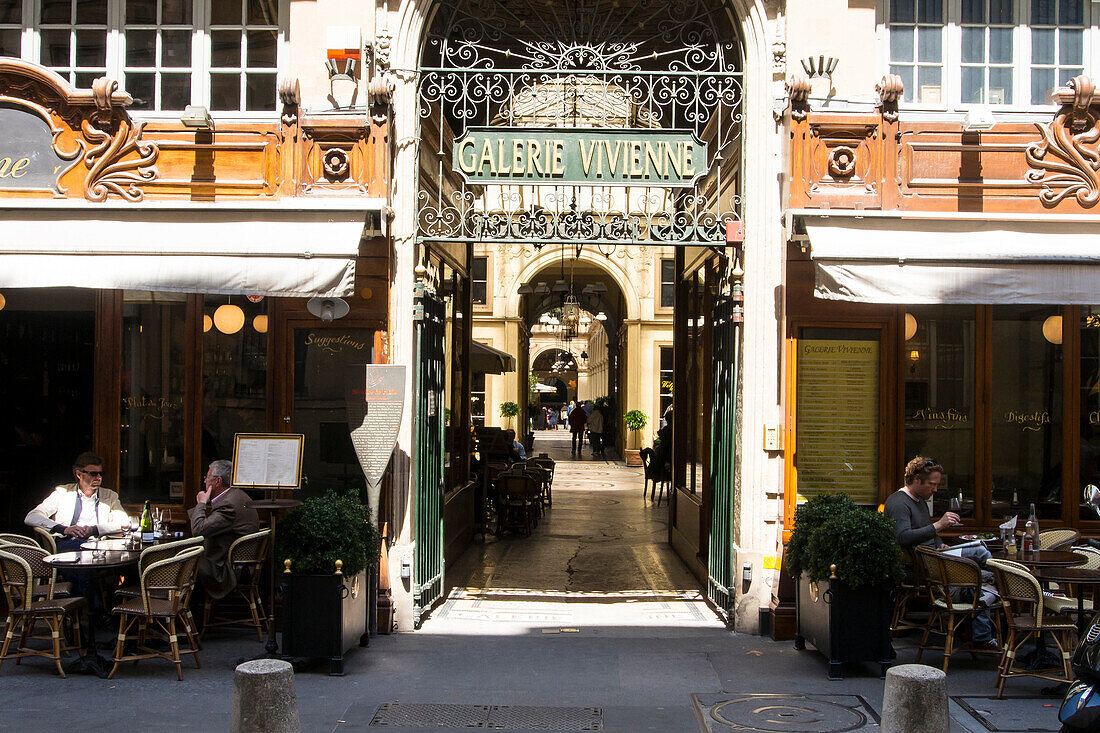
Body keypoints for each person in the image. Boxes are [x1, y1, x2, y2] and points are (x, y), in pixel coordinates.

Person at [884, 455, 998, 651]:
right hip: (927, 566)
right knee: (981, 554)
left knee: (984, 574)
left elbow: (927, 532)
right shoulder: (899, 503)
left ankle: (981, 627)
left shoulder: (918, 500)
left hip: (936, 556)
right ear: (917, 479)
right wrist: (939, 525)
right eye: (932, 484)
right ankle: (1008, 592)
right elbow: (902, 537)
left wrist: (940, 543)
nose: (935, 490)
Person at [25, 451, 128, 550]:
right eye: (93, 474)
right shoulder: (63, 492)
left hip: (98, 545)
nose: (99, 477)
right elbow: (31, 517)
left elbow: (124, 522)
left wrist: (94, 529)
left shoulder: (109, 496)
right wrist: (64, 529)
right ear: (79, 474)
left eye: (101, 473)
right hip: (69, 544)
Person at [188, 459, 259, 600]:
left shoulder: (229, 505)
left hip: (226, 570)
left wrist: (201, 503)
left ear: (217, 481)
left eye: (207, 477)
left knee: (183, 568)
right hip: (236, 563)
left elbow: (198, 529)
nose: (205, 481)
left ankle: (183, 617)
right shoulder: (237, 495)